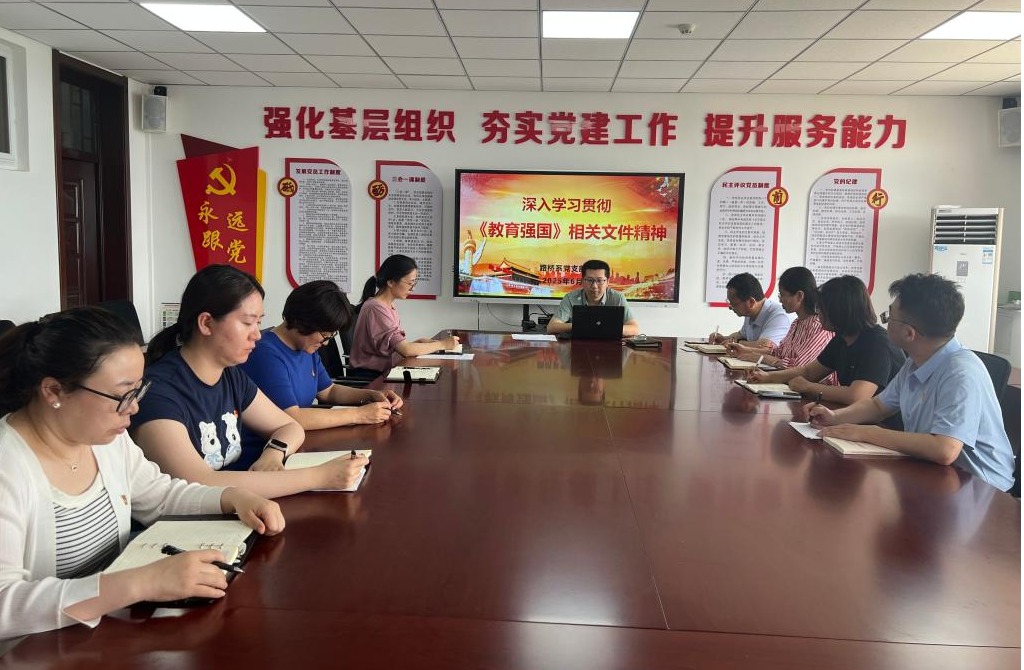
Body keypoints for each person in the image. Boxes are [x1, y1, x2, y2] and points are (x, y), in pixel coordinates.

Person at [0, 307, 284, 640]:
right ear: (54, 391)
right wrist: (142, 582)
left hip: (105, 631)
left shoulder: (102, 439)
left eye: (138, 390)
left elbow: (159, 494)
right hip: (37, 646)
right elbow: (5, 602)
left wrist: (231, 497)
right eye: (122, 395)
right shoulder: (9, 466)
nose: (134, 407)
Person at [131, 265, 367, 497]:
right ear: (206, 323)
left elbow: (289, 426)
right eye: (247, 323)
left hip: (245, 503)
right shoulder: (158, 393)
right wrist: (320, 476)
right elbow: (200, 483)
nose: (256, 334)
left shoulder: (230, 375)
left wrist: (274, 452)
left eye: (258, 322)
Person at [811, 273, 1014, 491]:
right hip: (936, 475)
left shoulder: (961, 373)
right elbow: (878, 406)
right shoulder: (917, 361)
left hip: (982, 489)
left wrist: (866, 433)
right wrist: (835, 417)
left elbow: (944, 449)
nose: (884, 322)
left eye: (889, 316)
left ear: (909, 333)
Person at [239, 280, 403, 435]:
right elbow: (292, 417)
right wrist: (359, 414)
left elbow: (329, 392)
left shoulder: (305, 347)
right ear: (303, 322)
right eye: (325, 335)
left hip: (302, 439)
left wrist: (371, 395)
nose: (326, 343)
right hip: (270, 449)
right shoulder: (265, 354)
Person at [749, 275, 905, 405]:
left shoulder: (877, 343)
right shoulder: (841, 338)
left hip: (886, 426)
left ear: (839, 311)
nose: (818, 314)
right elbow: (809, 372)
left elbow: (857, 395)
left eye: (821, 308)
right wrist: (768, 377)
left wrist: (809, 387)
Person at [725, 267, 836, 383]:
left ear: (799, 296)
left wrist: (762, 358)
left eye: (782, 295)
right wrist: (747, 350)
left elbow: (798, 367)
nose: (780, 300)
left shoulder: (818, 327)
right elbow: (778, 352)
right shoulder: (796, 323)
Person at [349, 254, 459, 371]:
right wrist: (443, 344)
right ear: (391, 282)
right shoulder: (376, 308)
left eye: (414, 284)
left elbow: (396, 347)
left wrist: (419, 343)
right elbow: (406, 350)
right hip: (373, 376)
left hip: (385, 369)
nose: (413, 289)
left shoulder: (387, 306)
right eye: (410, 283)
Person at [546, 259, 640, 337]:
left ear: (607, 282)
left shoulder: (617, 298)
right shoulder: (571, 298)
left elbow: (634, 329)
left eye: (600, 280)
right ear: (582, 281)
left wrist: (607, 328)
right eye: (589, 280)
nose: (594, 286)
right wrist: (582, 326)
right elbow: (552, 327)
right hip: (578, 348)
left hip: (610, 348)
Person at [708, 272, 792, 345]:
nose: (730, 307)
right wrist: (724, 339)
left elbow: (764, 346)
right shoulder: (750, 313)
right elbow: (741, 335)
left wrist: (734, 342)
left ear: (751, 302)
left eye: (734, 304)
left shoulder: (779, 316)